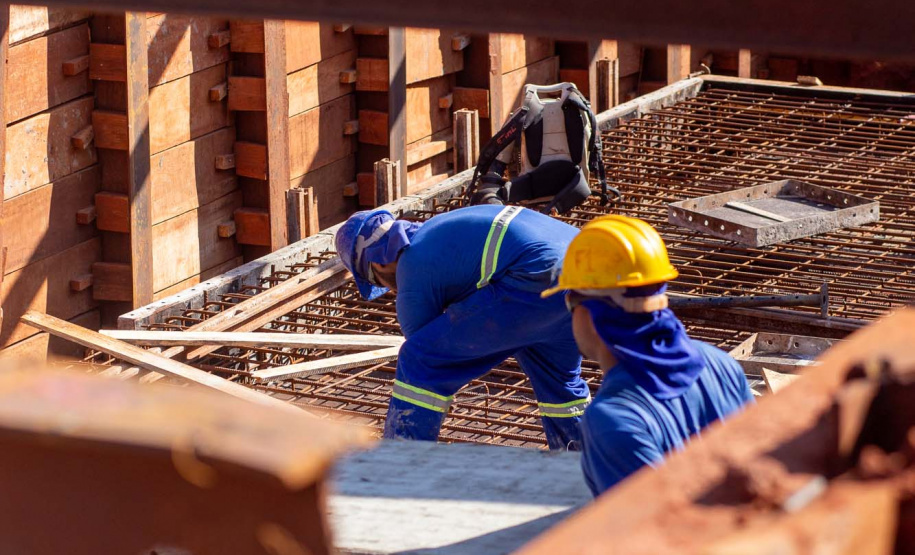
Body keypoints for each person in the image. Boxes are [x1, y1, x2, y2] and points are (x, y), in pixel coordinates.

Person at [335, 205, 591, 450]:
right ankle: (585, 463)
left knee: (419, 361)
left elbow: (427, 352)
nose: (390, 290)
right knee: (558, 382)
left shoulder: (412, 265)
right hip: (584, 271)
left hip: (537, 275)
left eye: (376, 281)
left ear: (379, 261)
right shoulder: (440, 230)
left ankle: (400, 463)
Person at [541, 215, 754, 495]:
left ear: (592, 314)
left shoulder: (613, 420)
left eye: (570, 300)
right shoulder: (719, 363)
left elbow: (654, 520)